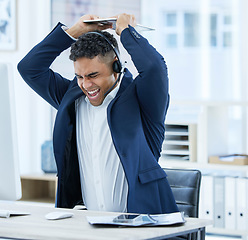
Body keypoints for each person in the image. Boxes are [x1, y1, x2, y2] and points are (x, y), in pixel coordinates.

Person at [18, 13, 179, 214]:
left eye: (93, 75)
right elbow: (29, 68)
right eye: (79, 76)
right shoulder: (71, 99)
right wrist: (73, 32)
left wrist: (125, 32)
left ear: (116, 66)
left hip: (143, 225)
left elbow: (154, 68)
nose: (86, 84)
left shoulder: (142, 100)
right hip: (90, 225)